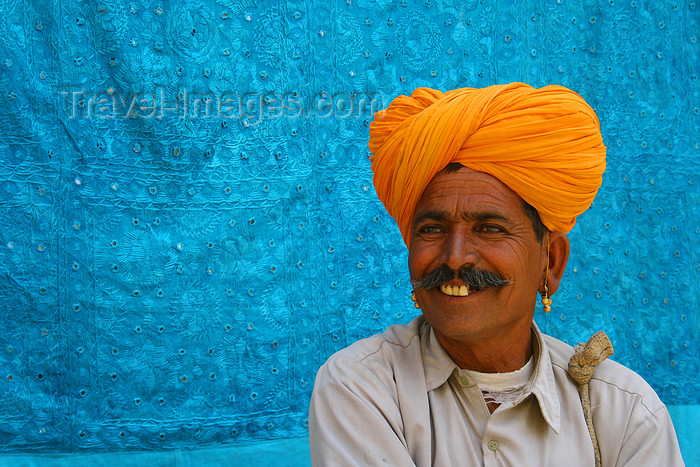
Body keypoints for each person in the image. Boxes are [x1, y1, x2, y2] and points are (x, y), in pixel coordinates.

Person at [309, 83, 684, 466]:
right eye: (432, 229)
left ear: (551, 262)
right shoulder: (362, 387)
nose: (455, 258)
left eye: (489, 228)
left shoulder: (623, 410)